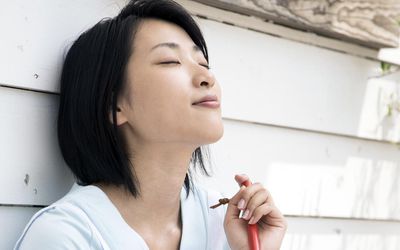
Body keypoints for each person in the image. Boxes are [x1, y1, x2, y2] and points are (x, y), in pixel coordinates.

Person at [15, 0, 287, 249]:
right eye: (170, 61)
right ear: (114, 105)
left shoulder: (225, 225)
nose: (206, 77)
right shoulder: (64, 238)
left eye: (203, 62)